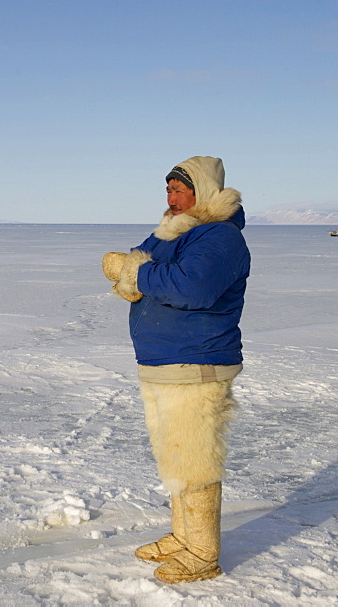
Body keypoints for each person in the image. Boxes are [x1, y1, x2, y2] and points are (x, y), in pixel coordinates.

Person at [102, 156, 249, 583]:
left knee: (195, 459)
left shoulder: (219, 237)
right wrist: (128, 276)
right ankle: (184, 537)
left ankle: (202, 553)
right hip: (163, 362)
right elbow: (147, 273)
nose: (171, 197)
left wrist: (134, 270)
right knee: (176, 456)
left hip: (196, 362)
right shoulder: (173, 233)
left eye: (180, 189)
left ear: (203, 192)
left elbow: (192, 287)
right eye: (168, 189)